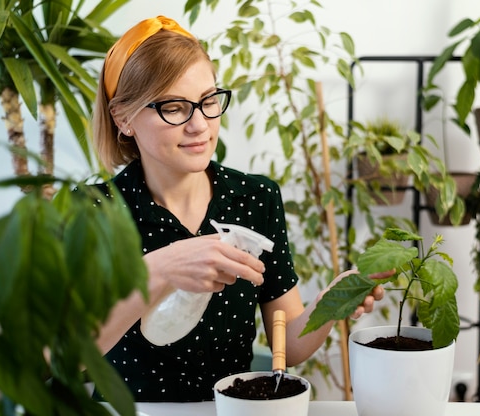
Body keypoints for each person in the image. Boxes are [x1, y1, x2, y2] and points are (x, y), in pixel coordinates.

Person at [92, 15, 385, 402]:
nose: (200, 125)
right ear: (123, 118)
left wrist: (330, 302)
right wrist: (163, 267)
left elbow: (290, 346)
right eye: (174, 107)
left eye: (208, 101)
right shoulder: (93, 211)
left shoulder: (255, 197)